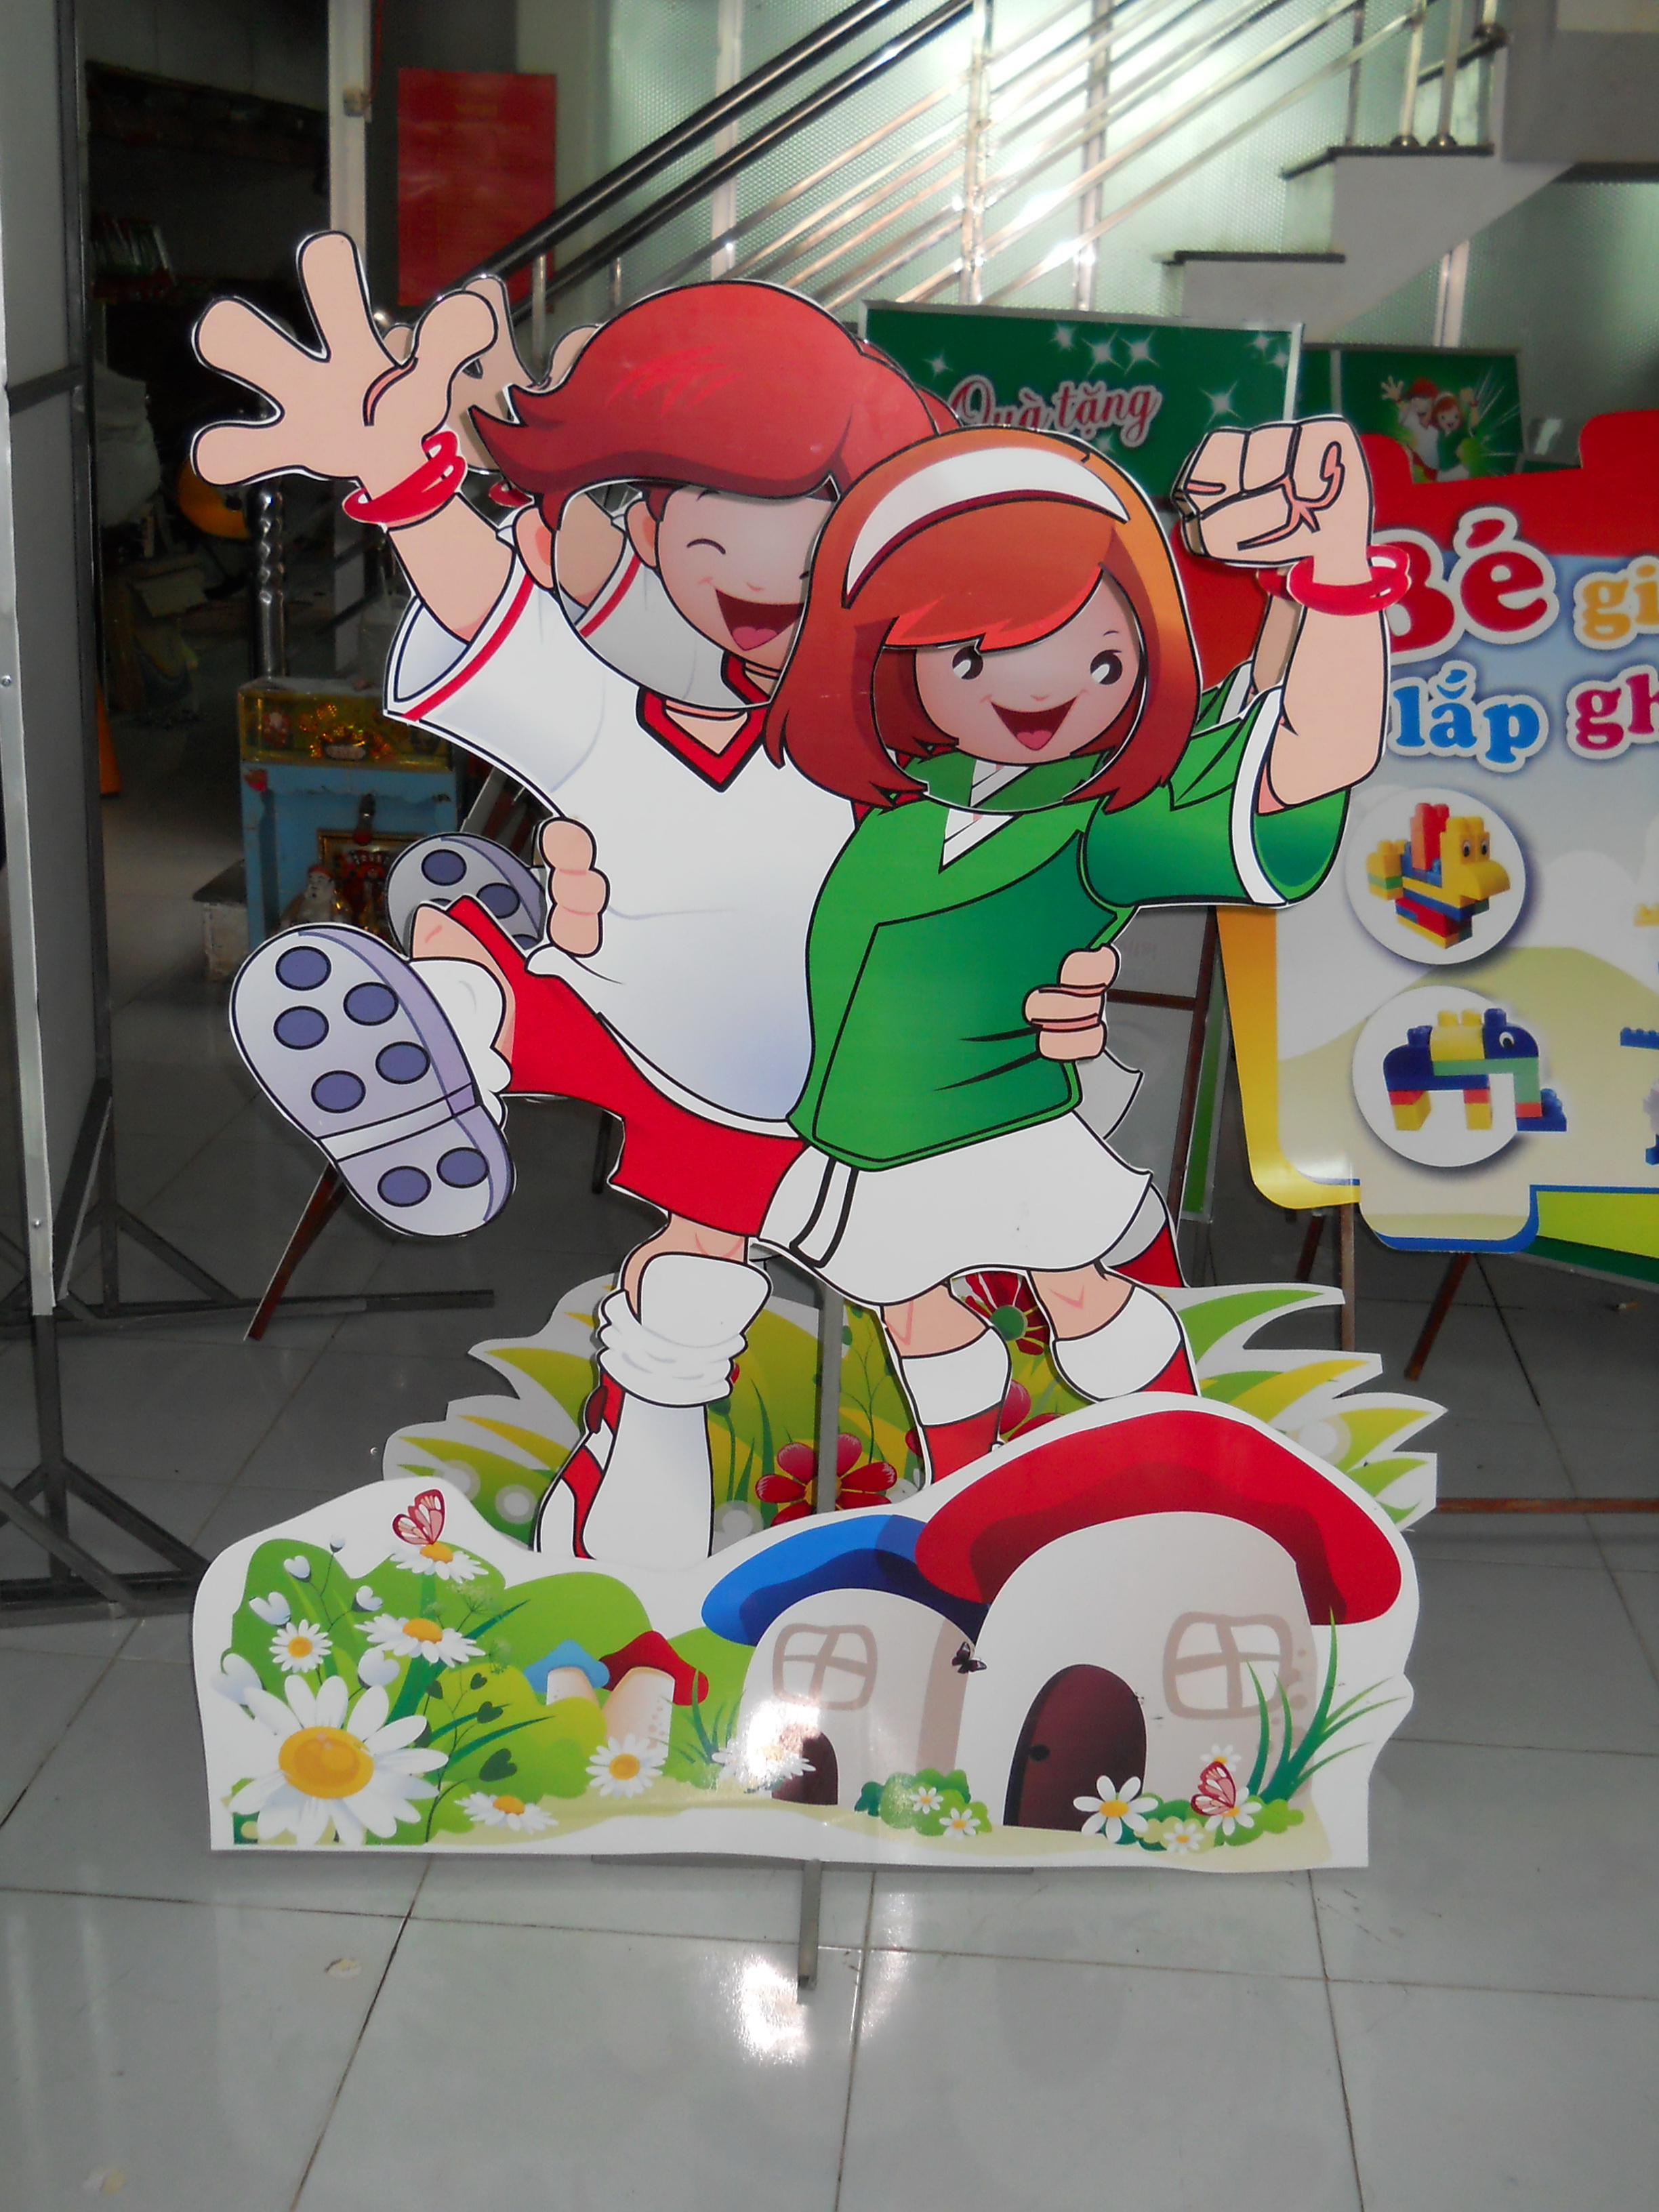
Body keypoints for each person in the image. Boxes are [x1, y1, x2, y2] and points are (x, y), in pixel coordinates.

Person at [197, 240, 1113, 1563]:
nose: (767, 577)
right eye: (716, 532)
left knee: (733, 1291)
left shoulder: (918, 731)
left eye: (818, 534)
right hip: (654, 1036)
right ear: (646, 531)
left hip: (857, 1082)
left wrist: (1056, 995)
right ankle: (450, 1037)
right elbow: (492, 604)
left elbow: (1035, 879)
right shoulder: (614, 710)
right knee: (519, 1017)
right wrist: (407, 486)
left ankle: (966, 1526)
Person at [745, 420, 1399, 1478]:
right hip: (860, 1126)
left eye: (1099, 656)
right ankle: (961, 1487)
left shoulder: (1099, 816)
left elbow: (1304, 757)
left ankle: (1185, 1470)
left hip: (998, 1121)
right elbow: (1246, 717)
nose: (1041, 692)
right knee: (913, 1314)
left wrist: (1334, 570)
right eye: (973, 656)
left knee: (1080, 1295)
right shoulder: (910, 791)